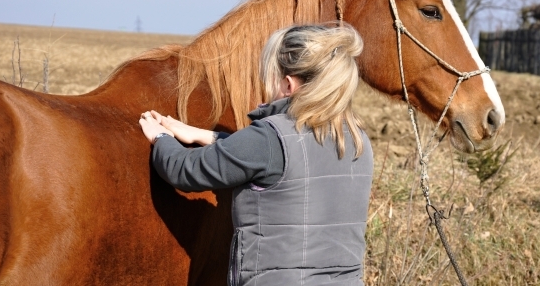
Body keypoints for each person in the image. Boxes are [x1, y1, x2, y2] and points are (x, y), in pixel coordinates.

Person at [139, 23, 374, 286]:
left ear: (288, 85)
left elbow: (184, 170)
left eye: (269, 76)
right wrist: (209, 136)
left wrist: (160, 138)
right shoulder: (356, 139)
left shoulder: (270, 137)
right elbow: (286, 165)